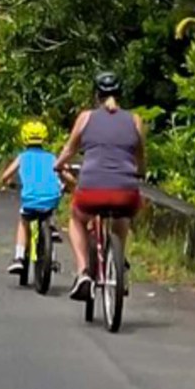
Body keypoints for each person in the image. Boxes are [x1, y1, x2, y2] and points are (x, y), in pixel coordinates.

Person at [54, 71, 146, 301]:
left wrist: (58, 164)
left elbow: (70, 150)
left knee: (76, 218)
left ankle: (83, 271)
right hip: (126, 191)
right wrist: (140, 173)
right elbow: (140, 155)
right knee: (122, 216)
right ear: (119, 94)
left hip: (92, 189)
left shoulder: (85, 118)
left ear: (97, 95)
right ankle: (119, 261)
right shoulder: (135, 119)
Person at [1, 120, 63, 275]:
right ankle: (52, 257)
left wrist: (8, 183)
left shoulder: (22, 157)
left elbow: (5, 176)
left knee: (23, 222)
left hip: (30, 200)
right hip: (51, 199)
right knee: (49, 215)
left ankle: (19, 257)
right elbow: (62, 173)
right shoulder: (52, 157)